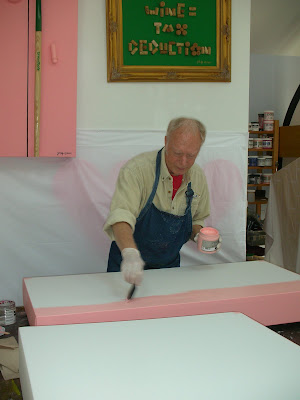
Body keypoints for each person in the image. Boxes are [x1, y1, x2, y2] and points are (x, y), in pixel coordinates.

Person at [103, 117, 213, 285]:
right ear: (166, 141)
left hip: (168, 268)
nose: (183, 162)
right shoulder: (137, 170)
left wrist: (199, 236)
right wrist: (130, 254)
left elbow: (197, 219)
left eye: (191, 155)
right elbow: (121, 216)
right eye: (177, 153)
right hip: (128, 266)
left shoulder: (197, 177)